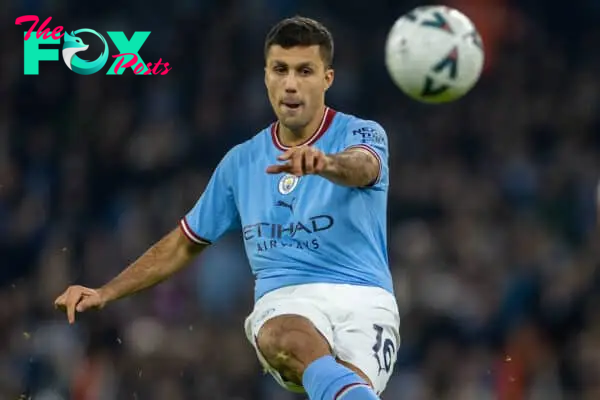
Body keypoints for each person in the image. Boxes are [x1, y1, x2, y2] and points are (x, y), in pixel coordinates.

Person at [55, 16, 400, 400]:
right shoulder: (241, 162)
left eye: (305, 71)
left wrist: (327, 164)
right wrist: (107, 292)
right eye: (280, 69)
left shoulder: (360, 132)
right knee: (282, 334)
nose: (290, 83)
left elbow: (364, 166)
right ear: (266, 76)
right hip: (287, 299)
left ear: (327, 79)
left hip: (366, 300)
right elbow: (185, 242)